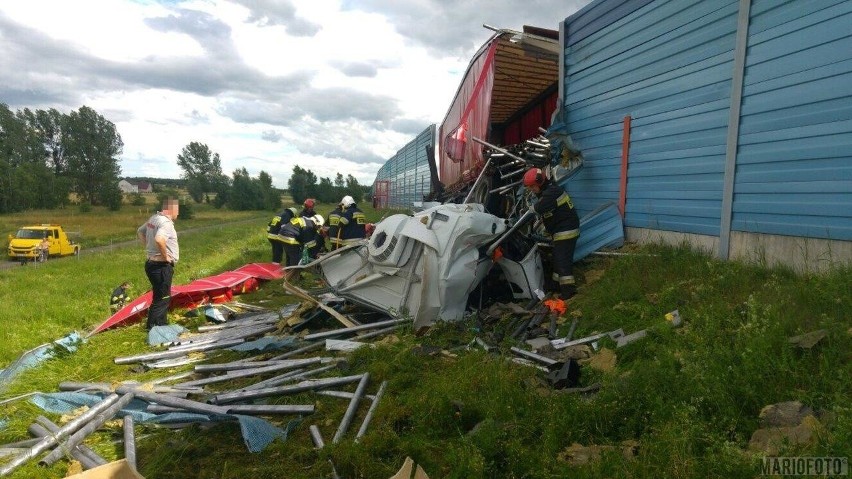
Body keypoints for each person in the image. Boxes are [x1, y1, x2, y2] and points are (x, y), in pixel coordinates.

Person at [522, 167, 580, 299]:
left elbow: (537, 209)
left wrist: (528, 212)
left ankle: (568, 291)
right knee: (556, 258)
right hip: (562, 230)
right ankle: (554, 286)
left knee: (562, 260)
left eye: (532, 186)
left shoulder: (551, 193)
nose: (531, 189)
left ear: (540, 182)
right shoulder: (549, 190)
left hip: (566, 231)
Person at [137, 198, 179, 329]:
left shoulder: (154, 218)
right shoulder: (166, 223)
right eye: (177, 210)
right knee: (163, 298)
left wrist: (149, 248)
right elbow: (160, 240)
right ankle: (154, 327)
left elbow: (140, 231)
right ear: (172, 209)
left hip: (151, 264)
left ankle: (161, 324)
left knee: (159, 295)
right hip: (161, 267)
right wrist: (165, 257)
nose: (178, 213)